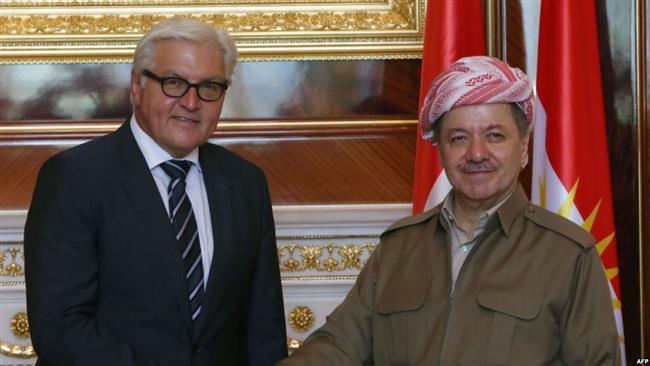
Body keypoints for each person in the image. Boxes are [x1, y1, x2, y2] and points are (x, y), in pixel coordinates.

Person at [279, 56, 620, 365]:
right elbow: (338, 348)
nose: (476, 153)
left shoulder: (568, 255)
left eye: (495, 135)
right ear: (440, 152)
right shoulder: (399, 248)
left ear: (524, 146)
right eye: (458, 138)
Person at [24, 17, 287, 366]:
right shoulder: (74, 178)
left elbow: (263, 327)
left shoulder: (245, 182)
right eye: (174, 83)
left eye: (209, 86)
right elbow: (60, 325)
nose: (192, 102)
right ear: (136, 85)